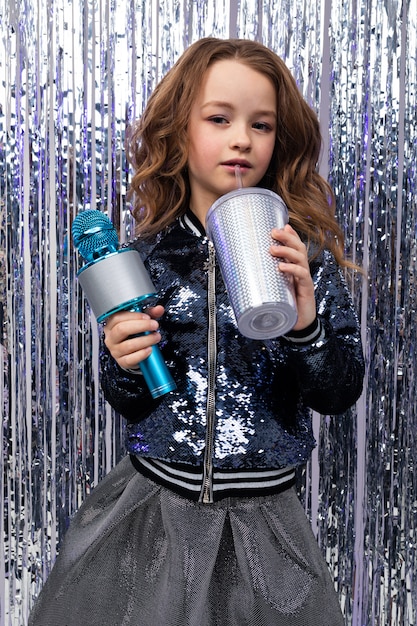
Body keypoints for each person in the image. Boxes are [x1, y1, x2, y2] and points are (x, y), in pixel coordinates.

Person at [29, 37, 365, 626]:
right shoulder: (146, 260)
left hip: (266, 524)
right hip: (156, 514)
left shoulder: (301, 258)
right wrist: (122, 360)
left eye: (261, 125)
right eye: (219, 118)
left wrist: (306, 324)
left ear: (277, 141)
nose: (242, 138)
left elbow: (338, 394)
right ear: (178, 132)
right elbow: (132, 402)